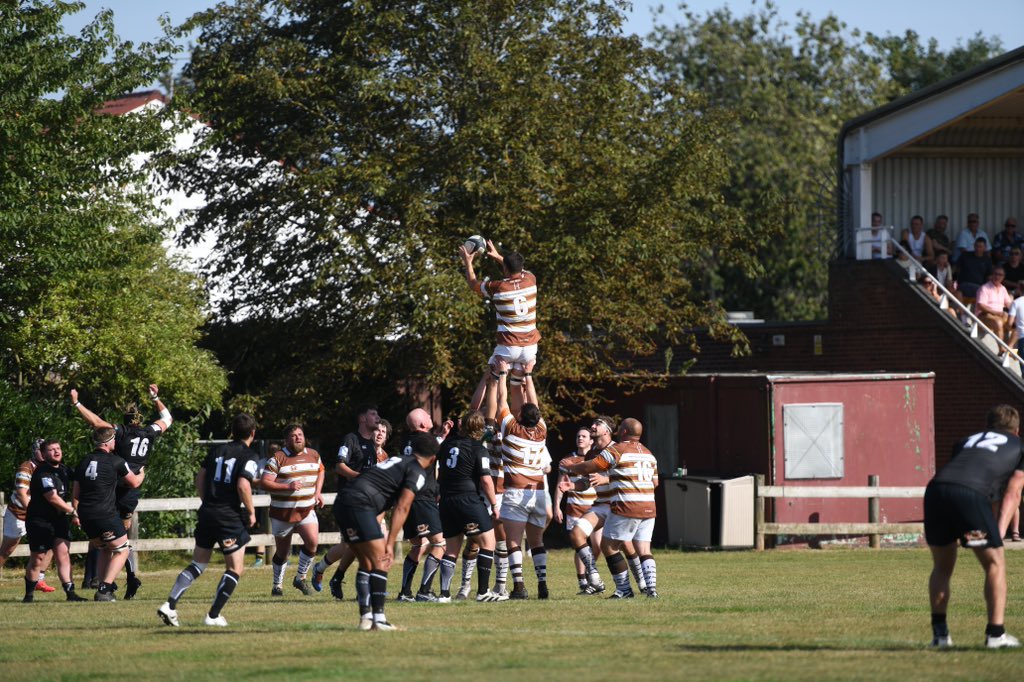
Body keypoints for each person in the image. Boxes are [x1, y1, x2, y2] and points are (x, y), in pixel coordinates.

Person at [924, 404, 1024, 649]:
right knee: (994, 562)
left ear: (987, 426)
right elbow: (1013, 491)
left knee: (942, 566)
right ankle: (996, 635)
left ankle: (940, 636)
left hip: (936, 491)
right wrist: (999, 532)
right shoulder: (1019, 446)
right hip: (968, 495)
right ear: (1016, 430)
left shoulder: (965, 441)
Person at [157, 413, 260, 627]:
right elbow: (243, 485)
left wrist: (207, 501)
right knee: (234, 568)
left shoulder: (216, 450)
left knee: (198, 563)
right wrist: (251, 512)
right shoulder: (249, 456)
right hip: (228, 516)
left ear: (232, 431)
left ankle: (170, 604)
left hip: (208, 511)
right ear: (253, 433)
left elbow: (200, 478)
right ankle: (213, 615)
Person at [70, 384, 172, 599]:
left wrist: (78, 404)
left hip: (114, 488)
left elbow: (97, 424)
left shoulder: (120, 432)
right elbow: (168, 418)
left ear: (124, 421)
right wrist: (155, 398)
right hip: (131, 490)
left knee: (108, 540)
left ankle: (106, 579)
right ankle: (125, 578)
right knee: (118, 537)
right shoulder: (149, 432)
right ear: (141, 420)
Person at [332, 431, 439, 630]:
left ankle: (366, 619)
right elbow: (402, 507)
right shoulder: (417, 471)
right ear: (433, 459)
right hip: (359, 503)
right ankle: (379, 620)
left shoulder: (398, 459)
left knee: (366, 563)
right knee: (381, 560)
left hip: (342, 502)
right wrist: (390, 543)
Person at [562, 418, 660, 599]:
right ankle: (596, 577)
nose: (592, 426)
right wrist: (573, 487)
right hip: (619, 504)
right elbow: (654, 482)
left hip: (622, 505)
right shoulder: (648, 453)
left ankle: (632, 587)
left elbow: (594, 468)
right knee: (578, 534)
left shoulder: (616, 449)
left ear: (614, 431)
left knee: (617, 545)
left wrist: (572, 468)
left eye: (597, 424)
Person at [490, 359, 551, 600]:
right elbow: (534, 404)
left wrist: (503, 373)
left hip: (515, 491)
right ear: (536, 418)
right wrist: (528, 375)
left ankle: (519, 586)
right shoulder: (542, 431)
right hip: (537, 492)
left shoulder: (511, 430)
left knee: (513, 541)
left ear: (519, 417)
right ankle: (543, 583)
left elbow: (501, 401)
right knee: (537, 540)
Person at [311, 404, 380, 598]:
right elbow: (340, 466)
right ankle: (359, 589)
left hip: (366, 501)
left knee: (353, 545)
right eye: (373, 413)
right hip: (349, 500)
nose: (377, 417)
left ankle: (329, 573)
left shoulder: (373, 447)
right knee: (356, 545)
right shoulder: (350, 439)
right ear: (362, 419)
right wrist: (359, 477)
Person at [72, 427, 145, 601]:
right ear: (107, 442)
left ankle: (102, 584)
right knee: (122, 550)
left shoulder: (84, 461)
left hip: (85, 513)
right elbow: (134, 483)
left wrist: (76, 513)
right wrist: (142, 473)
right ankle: (105, 590)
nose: (115, 442)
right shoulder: (116, 461)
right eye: (114, 440)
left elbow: (75, 492)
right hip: (104, 513)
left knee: (104, 548)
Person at [436, 410, 500, 602]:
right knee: (489, 543)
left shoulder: (446, 445)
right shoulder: (478, 449)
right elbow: (486, 481)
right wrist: (495, 504)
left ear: (462, 426)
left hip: (446, 500)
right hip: (467, 500)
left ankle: (444, 594)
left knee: (451, 549)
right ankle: (482, 592)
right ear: (479, 429)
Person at [460, 240, 540, 380]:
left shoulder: (498, 287)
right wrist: (498, 256)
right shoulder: (531, 279)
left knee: (490, 382)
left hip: (508, 346)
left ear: (505, 269)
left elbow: (473, 284)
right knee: (518, 387)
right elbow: (515, 269)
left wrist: (468, 262)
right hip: (530, 346)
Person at [261, 424, 324, 596]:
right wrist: (287, 487)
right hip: (283, 513)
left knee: (312, 543)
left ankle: (300, 578)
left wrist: (318, 492)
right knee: (282, 552)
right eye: (293, 435)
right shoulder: (277, 458)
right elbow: (265, 482)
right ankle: (277, 585)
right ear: (286, 440)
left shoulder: (313, 455)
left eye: (300, 434)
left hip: (306, 509)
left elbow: (321, 470)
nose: (298, 438)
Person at [22, 440, 87, 603]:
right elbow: (52, 498)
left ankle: (71, 594)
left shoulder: (64, 469)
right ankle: (29, 595)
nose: (56, 452)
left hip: (58, 519)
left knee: (63, 555)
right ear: (43, 455)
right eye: (51, 450)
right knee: (38, 558)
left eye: (58, 448)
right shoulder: (42, 473)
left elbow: (81, 479)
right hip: (39, 521)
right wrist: (73, 511)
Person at [398, 407, 449, 602]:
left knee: (419, 545)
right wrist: (443, 437)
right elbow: (438, 449)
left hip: (408, 498)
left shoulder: (405, 442)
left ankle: (405, 592)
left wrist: (441, 436)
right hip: (423, 498)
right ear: (422, 424)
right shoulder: (426, 440)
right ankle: (424, 591)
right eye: (427, 416)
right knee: (440, 543)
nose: (430, 417)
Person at [1, 438, 57, 593]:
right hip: (19, 514)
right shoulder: (26, 468)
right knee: (7, 550)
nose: (46, 453)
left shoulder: (50, 468)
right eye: (42, 450)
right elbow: (21, 493)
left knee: (51, 544)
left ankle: (39, 579)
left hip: (38, 515)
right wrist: (34, 511)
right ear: (35, 451)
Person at [555, 425, 605, 594]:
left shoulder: (597, 459)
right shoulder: (568, 459)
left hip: (594, 508)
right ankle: (583, 580)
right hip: (575, 509)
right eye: (578, 436)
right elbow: (560, 485)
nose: (580, 438)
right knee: (580, 544)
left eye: (584, 436)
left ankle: (592, 573)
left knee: (598, 546)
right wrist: (556, 506)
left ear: (592, 441)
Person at [975, 266, 1014, 345]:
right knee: (998, 322)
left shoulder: (1003, 289)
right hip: (984, 316)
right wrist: (996, 313)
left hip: (1000, 315)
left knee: (1016, 325)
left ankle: (1009, 349)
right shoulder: (984, 288)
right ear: (992, 275)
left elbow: (1009, 304)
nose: (997, 276)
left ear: (1003, 277)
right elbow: (981, 306)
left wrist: (1015, 313)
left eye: (1000, 275)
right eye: (996, 274)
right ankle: (1001, 350)